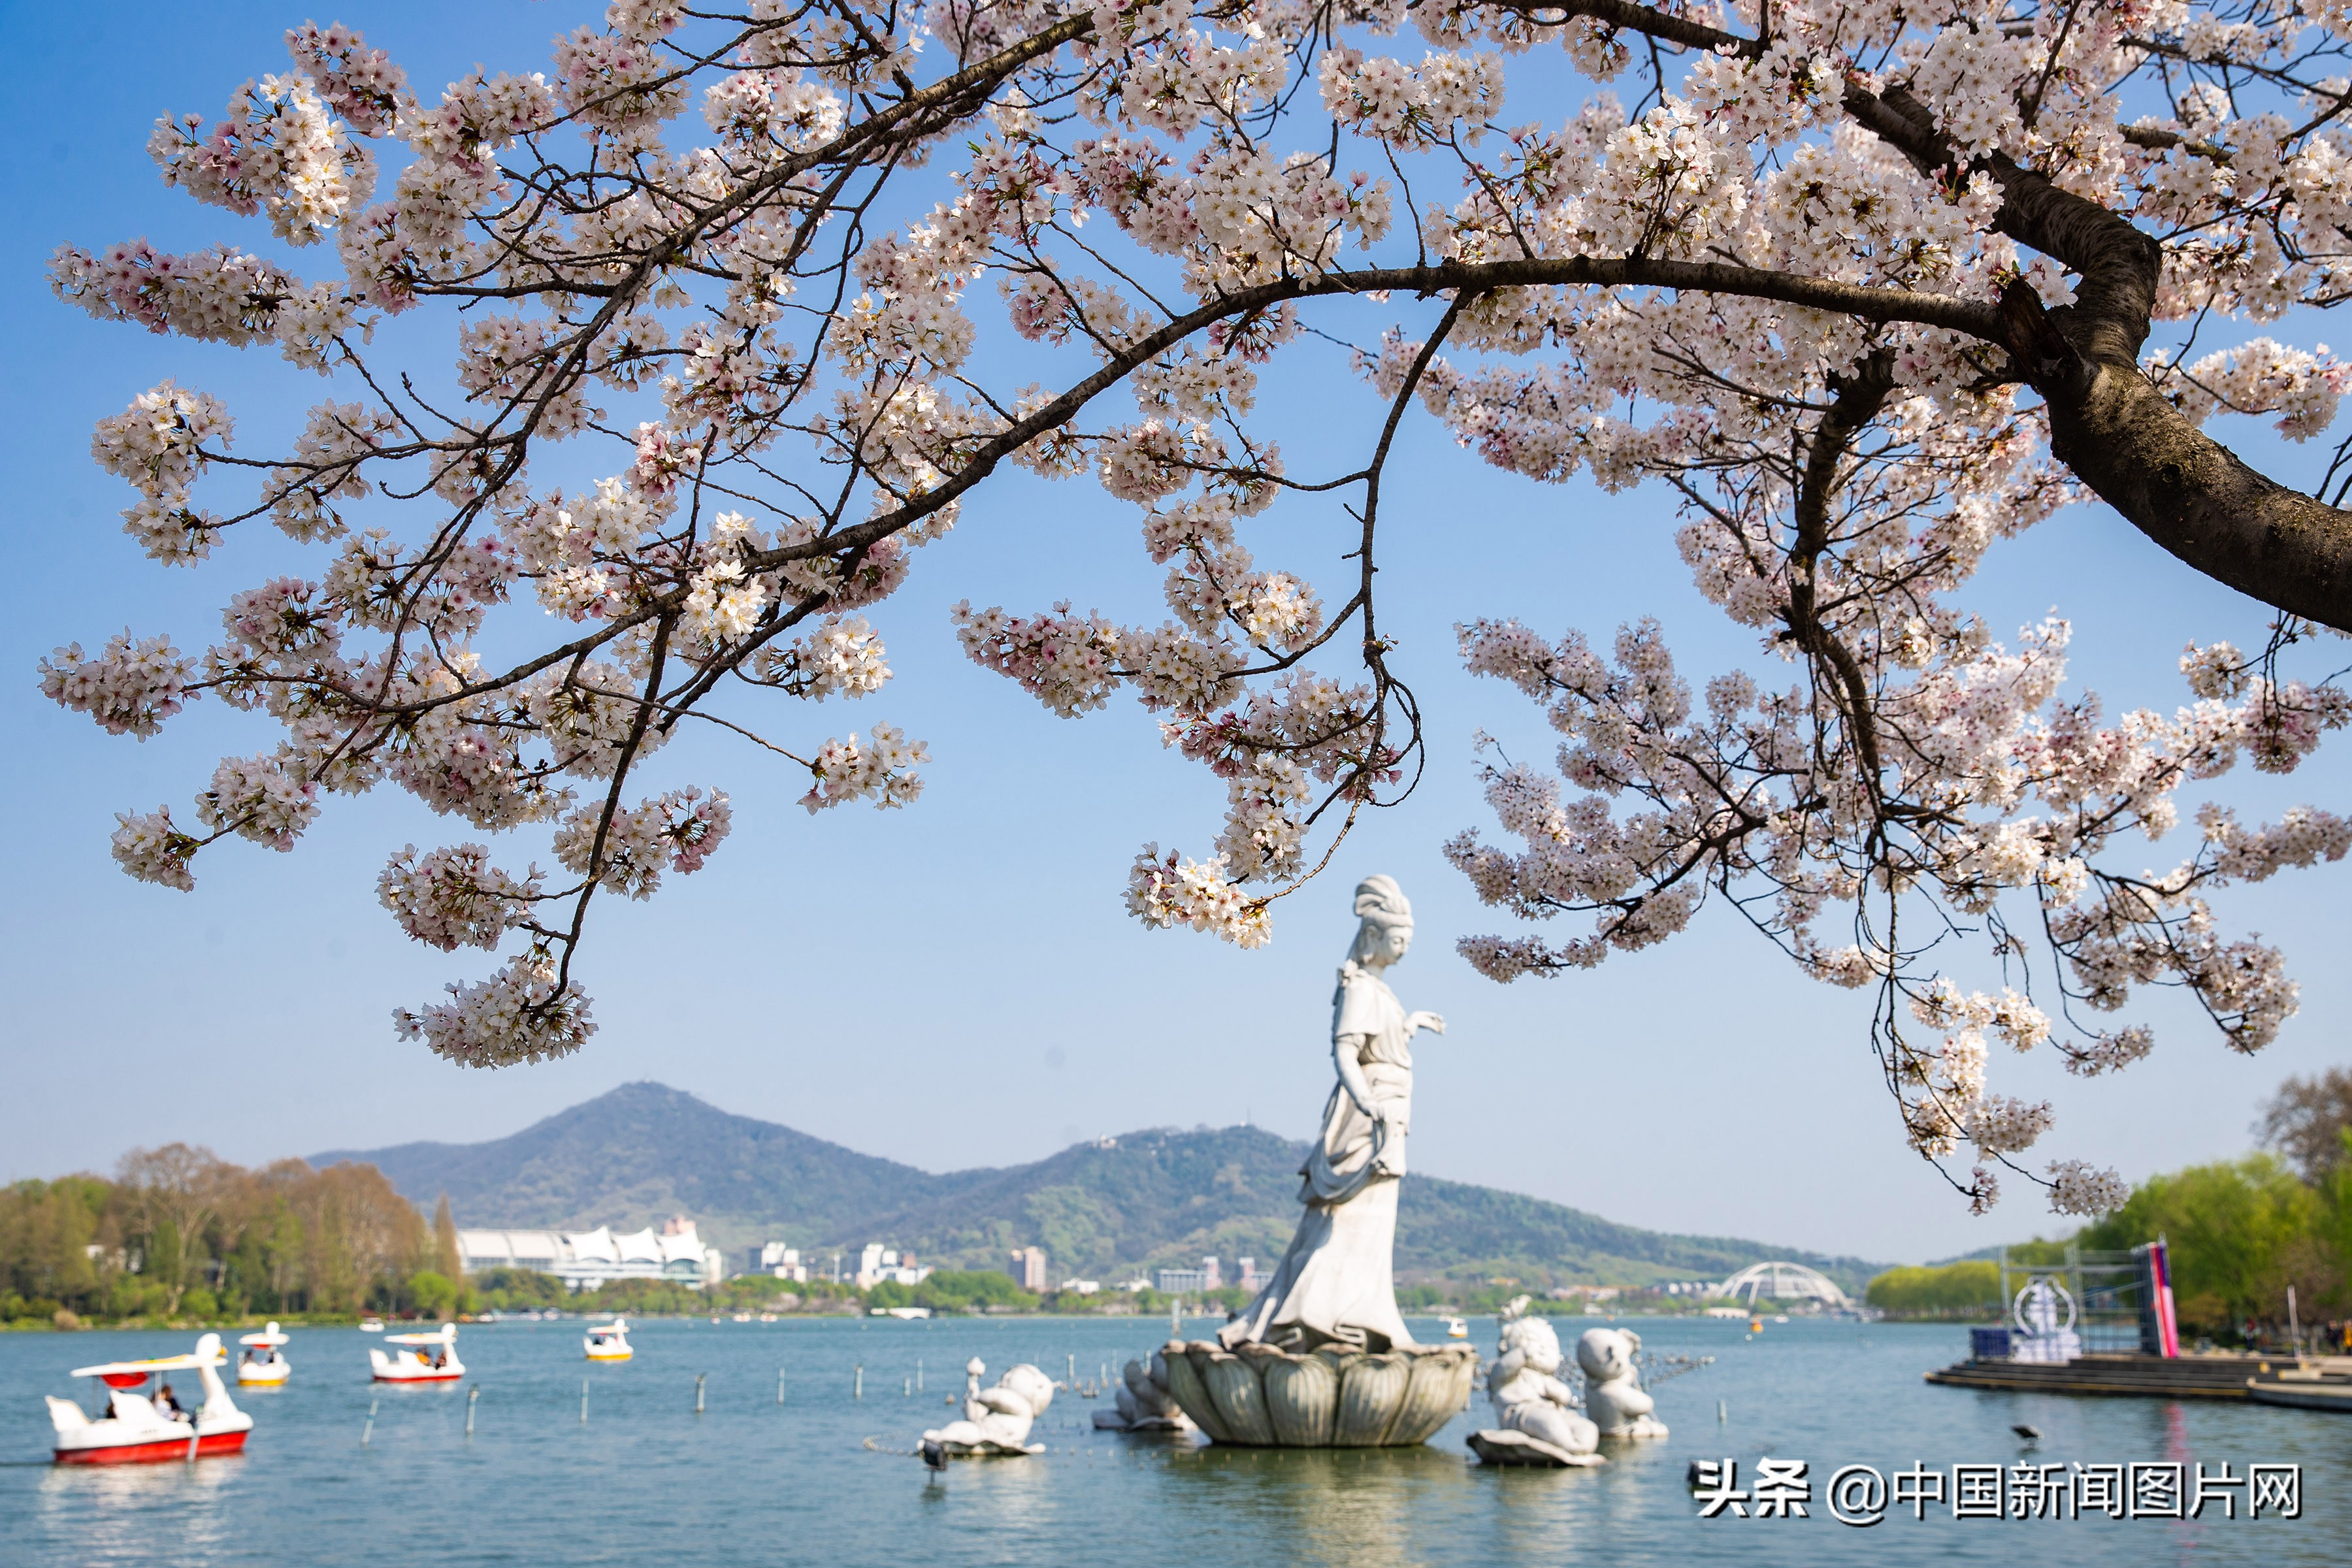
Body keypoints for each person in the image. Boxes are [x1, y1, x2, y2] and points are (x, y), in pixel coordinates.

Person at [1218, 875, 1444, 1354]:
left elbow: (1379, 1045)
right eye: (1397, 939)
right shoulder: (1360, 988)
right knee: (1351, 1219)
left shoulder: (1381, 994)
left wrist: (1409, 1026)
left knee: (1374, 1220)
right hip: (1371, 1112)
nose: (1404, 948)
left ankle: (1358, 1315)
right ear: (1373, 937)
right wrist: (1369, 1103)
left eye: (1408, 940)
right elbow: (1346, 1054)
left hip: (1388, 1109)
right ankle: (1320, 1314)